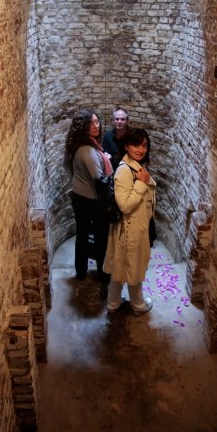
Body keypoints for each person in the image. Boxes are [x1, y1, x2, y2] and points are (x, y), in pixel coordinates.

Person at [103, 128, 156, 315]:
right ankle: (138, 305)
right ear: (126, 146)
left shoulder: (136, 165)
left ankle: (113, 303)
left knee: (121, 266)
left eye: (144, 145)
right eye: (135, 145)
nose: (141, 150)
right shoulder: (125, 171)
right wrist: (142, 183)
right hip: (130, 230)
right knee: (134, 269)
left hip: (133, 227)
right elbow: (125, 206)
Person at [64, 109, 112, 282]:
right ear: (83, 127)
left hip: (79, 197)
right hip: (92, 201)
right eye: (91, 123)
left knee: (82, 235)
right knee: (101, 238)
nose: (96, 125)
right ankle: (103, 273)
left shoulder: (78, 146)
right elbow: (99, 179)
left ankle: (81, 271)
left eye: (97, 121)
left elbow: (72, 169)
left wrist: (102, 157)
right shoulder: (89, 151)